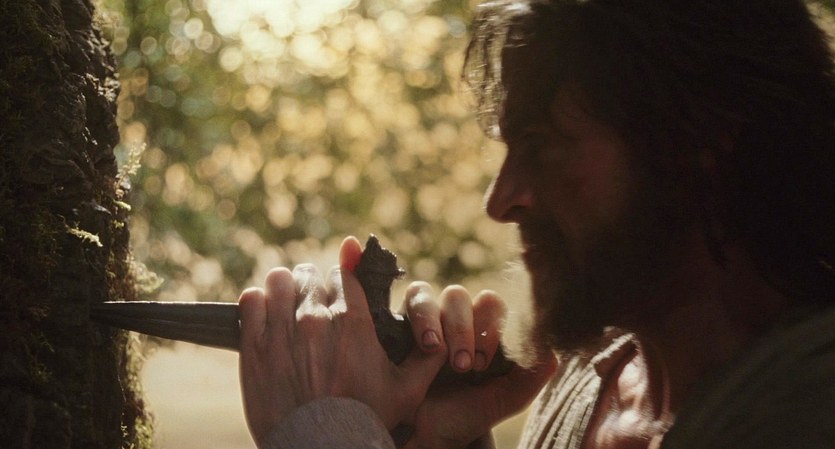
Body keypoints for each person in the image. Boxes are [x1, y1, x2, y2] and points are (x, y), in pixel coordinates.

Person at [236, 0, 835, 448]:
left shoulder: (809, 407)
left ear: (699, 145)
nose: (502, 202)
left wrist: (326, 431)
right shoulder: (592, 379)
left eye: (542, 144)